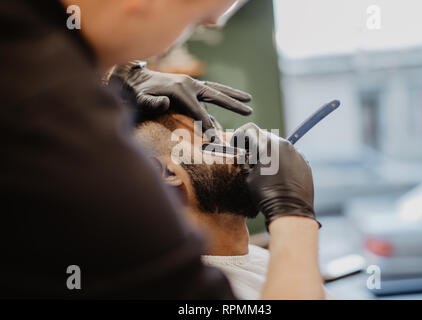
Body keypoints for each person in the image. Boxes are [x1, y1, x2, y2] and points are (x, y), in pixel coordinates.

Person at [0, 0, 323, 299]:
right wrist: (293, 214)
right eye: (206, 137)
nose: (212, 21)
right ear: (162, 171)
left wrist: (121, 73)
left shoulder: (24, 43)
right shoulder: (57, 136)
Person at [134, 112, 334, 300]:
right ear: (165, 172)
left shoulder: (266, 260)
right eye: (211, 140)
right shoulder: (185, 290)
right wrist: (292, 212)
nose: (237, 140)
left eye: (222, 132)